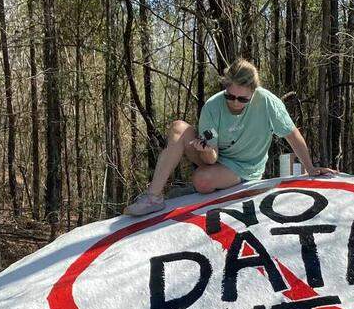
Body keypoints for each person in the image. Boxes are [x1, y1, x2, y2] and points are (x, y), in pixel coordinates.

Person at [124, 58, 337, 216]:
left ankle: (208, 184)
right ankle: (154, 197)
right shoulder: (213, 107)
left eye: (242, 99)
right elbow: (211, 159)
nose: (235, 102)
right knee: (179, 128)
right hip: (216, 159)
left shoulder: (267, 102)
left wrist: (310, 169)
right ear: (225, 88)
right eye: (230, 96)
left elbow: (292, 134)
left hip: (245, 168)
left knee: (201, 181)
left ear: (254, 91)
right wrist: (206, 150)